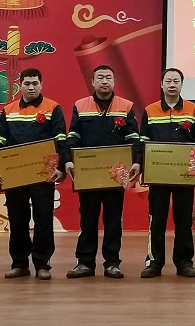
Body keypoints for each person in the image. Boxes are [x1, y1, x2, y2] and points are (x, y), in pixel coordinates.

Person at [61, 65, 140, 280]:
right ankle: (85, 263)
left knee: (113, 220)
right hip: (88, 174)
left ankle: (112, 263)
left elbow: (133, 137)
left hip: (116, 174)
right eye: (100, 77)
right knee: (88, 220)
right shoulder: (81, 105)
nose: (104, 81)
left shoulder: (126, 106)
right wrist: (68, 160)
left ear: (114, 81)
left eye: (108, 77)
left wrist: (137, 161)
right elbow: (73, 136)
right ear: (93, 82)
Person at [0, 68, 67, 280]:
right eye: (27, 83)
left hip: (43, 175)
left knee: (43, 219)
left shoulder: (53, 108)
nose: (31, 87)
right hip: (14, 174)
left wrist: (61, 168)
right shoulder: (8, 110)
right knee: (17, 220)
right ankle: (19, 264)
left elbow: (61, 139)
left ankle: (42, 264)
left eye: (35, 83)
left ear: (41, 85)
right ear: (20, 85)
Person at [138, 68, 195, 279]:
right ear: (161, 84)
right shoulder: (150, 111)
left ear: (181, 85)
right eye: (168, 81)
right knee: (156, 220)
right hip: (158, 176)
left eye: (176, 81)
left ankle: (184, 262)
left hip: (183, 176)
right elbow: (142, 142)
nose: (172, 84)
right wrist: (143, 167)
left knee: (184, 220)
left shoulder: (192, 109)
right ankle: (154, 262)